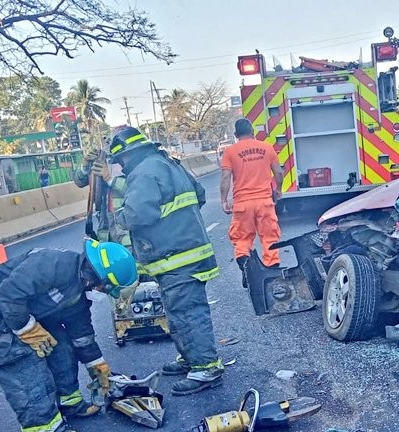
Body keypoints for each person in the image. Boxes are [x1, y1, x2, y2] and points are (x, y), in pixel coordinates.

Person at [0, 240, 137, 432]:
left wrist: (98, 366)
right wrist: (27, 329)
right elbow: (8, 295)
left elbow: (82, 334)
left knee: (62, 346)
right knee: (24, 363)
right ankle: (43, 431)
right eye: (105, 288)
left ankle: (69, 402)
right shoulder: (53, 264)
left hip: (17, 312)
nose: (103, 293)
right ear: (95, 277)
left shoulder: (79, 294)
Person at [110, 126, 224, 395]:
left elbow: (138, 216)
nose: (121, 168)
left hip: (177, 258)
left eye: (120, 162)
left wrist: (120, 217)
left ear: (127, 157)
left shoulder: (141, 174)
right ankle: (191, 358)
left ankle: (206, 367)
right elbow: (200, 194)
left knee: (188, 313)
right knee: (178, 311)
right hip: (188, 252)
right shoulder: (167, 163)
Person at [73, 148, 139, 315]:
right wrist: (85, 165)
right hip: (107, 234)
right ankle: (123, 318)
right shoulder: (103, 164)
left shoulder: (133, 167)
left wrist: (110, 178)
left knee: (136, 276)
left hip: (129, 234)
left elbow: (137, 190)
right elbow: (80, 181)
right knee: (111, 279)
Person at [220, 118, 285, 287]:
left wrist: (224, 200)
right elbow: (278, 172)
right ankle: (271, 274)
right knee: (270, 237)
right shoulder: (266, 148)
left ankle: (248, 270)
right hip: (264, 203)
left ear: (235, 135)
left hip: (242, 205)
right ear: (252, 131)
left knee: (242, 240)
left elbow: (226, 177)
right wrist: (278, 190)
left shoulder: (230, 152)